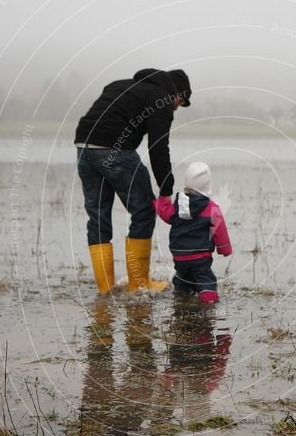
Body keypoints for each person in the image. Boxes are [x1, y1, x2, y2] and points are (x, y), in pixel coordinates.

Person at [75, 68, 191, 294]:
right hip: (114, 151)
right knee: (144, 212)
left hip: (83, 148)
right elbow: (158, 147)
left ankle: (105, 289)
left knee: (98, 216)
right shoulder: (162, 100)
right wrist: (166, 190)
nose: (178, 106)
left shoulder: (119, 84)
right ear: (178, 93)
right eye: (181, 101)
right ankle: (138, 285)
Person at [153, 161, 232, 304]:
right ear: (207, 184)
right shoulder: (212, 207)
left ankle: (181, 293)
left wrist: (158, 201)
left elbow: (165, 213)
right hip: (200, 256)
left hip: (179, 255)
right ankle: (208, 301)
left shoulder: (178, 205)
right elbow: (220, 230)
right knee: (205, 279)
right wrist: (224, 248)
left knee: (183, 276)